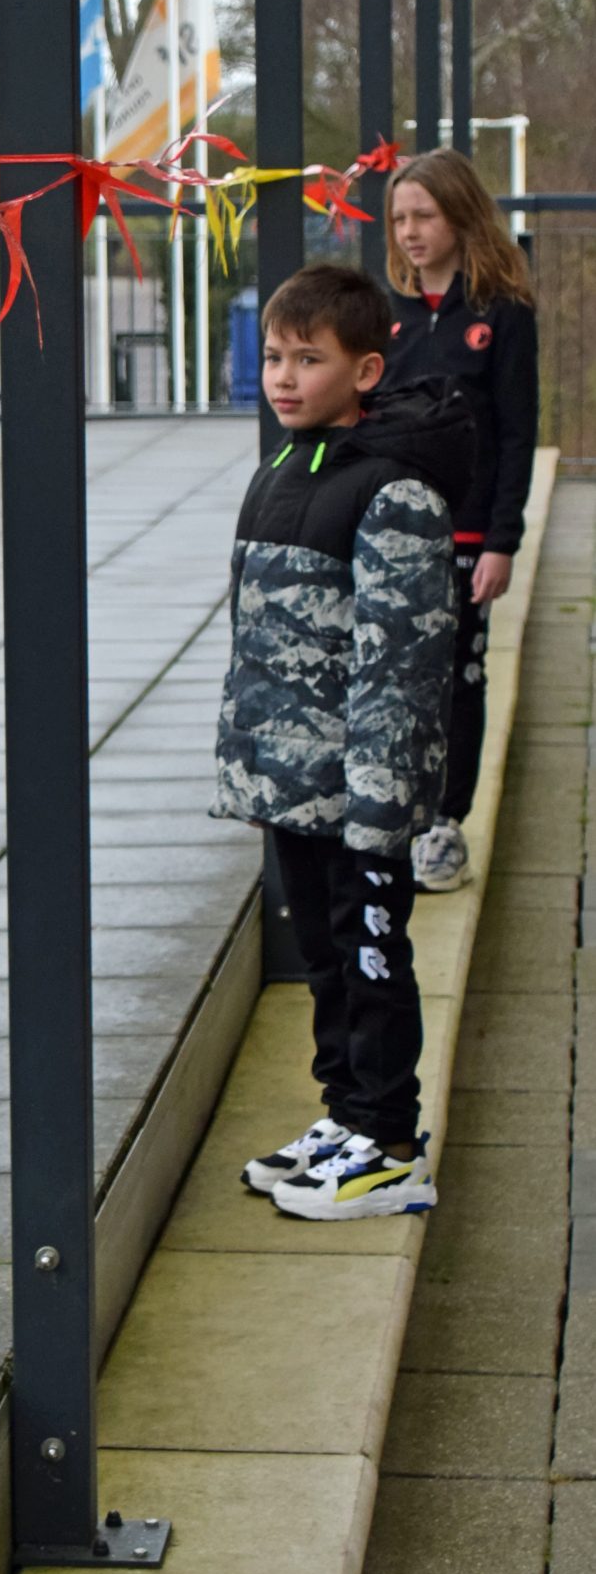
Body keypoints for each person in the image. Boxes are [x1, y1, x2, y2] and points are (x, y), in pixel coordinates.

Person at [213, 262, 472, 1221]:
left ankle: (391, 1144)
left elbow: (400, 667)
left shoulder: (395, 494)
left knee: (370, 959)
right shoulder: (283, 470)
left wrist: (379, 809)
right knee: (325, 959)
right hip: (297, 786)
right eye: (275, 358)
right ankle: (346, 1115)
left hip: (361, 794)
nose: (284, 378)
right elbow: (260, 644)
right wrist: (255, 773)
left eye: (308, 359)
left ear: (365, 370)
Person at [384, 147, 539, 893]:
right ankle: (395, 813)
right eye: (399, 219)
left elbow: (517, 430)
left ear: (460, 215)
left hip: (469, 535)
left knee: (458, 679)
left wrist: (502, 541)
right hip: (391, 535)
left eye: (425, 216)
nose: (410, 232)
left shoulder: (502, 313)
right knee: (395, 676)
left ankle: (446, 824)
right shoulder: (386, 317)